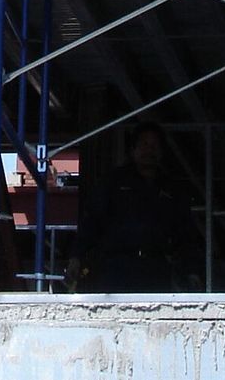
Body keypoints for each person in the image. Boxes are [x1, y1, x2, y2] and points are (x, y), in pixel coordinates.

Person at [78, 120, 199, 292]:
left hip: (156, 269)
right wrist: (76, 257)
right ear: (133, 150)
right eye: (144, 144)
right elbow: (91, 221)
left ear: (162, 152)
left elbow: (185, 234)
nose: (149, 150)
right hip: (116, 269)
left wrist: (192, 271)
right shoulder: (113, 182)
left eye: (154, 146)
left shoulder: (172, 188)